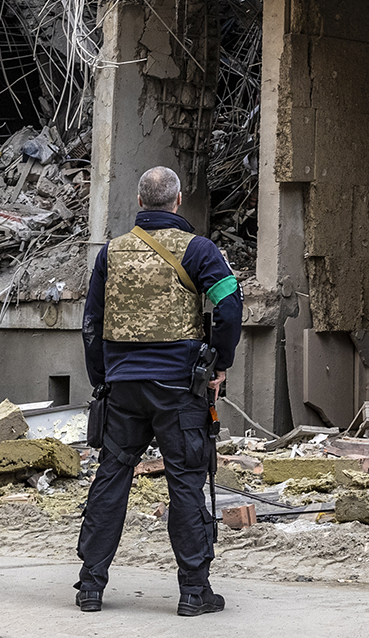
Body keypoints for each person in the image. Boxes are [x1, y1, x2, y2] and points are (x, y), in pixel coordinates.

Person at [75, 166, 242, 616]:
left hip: (123, 388)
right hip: (178, 389)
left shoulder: (111, 253)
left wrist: (102, 379)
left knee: (111, 477)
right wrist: (218, 364)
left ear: (138, 200)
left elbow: (91, 324)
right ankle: (193, 593)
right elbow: (229, 303)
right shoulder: (200, 250)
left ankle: (90, 586)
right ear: (178, 200)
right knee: (186, 482)